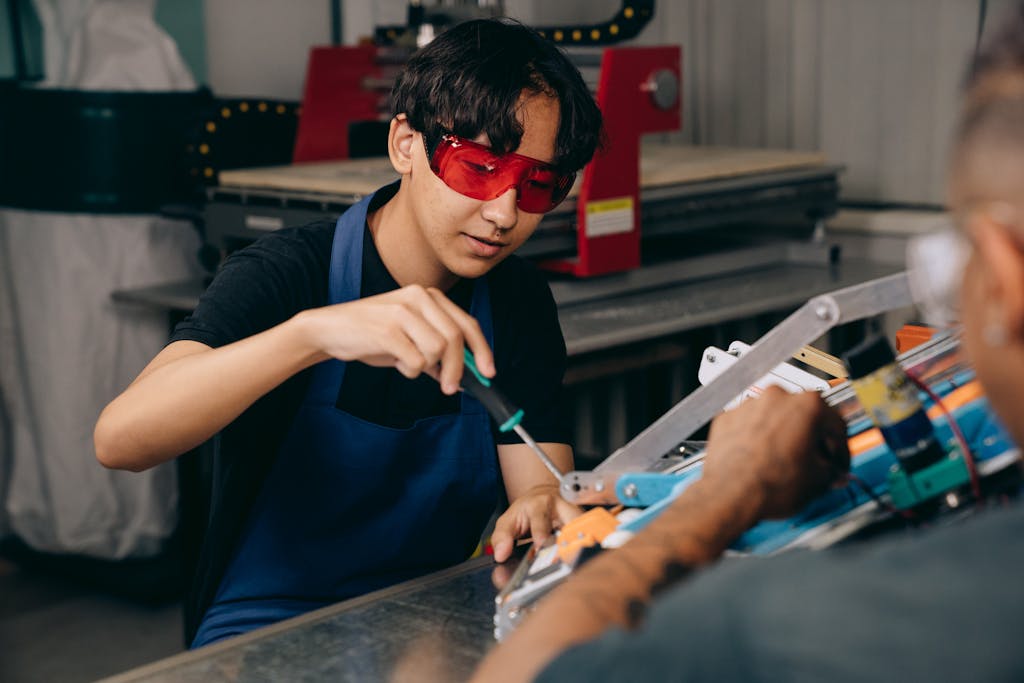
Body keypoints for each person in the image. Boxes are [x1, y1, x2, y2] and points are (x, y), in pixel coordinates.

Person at [472, 6, 1024, 682]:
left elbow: (521, 671)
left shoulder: (847, 618)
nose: (502, 211)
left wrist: (724, 493)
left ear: (1000, 276)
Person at [93, 19, 602, 648]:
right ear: (406, 145)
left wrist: (539, 508)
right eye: (478, 168)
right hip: (270, 625)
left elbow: (539, 491)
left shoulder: (516, 300)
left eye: (537, 185)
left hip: (433, 615)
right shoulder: (287, 275)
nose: (503, 214)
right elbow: (120, 440)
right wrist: (311, 336)